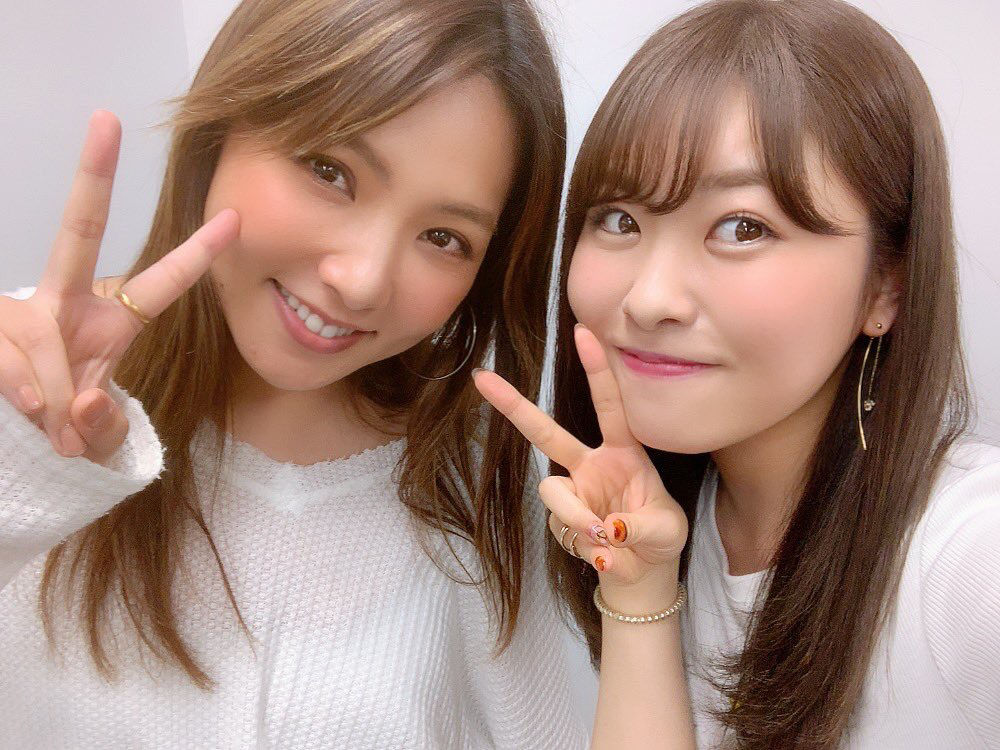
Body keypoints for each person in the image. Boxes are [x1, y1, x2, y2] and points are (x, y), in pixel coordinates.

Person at [0, 0, 590, 747]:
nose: (362, 281)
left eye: (444, 237)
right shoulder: (27, 380)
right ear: (221, 131)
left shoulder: (478, 481)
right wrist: (22, 471)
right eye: (330, 172)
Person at [474, 0, 1000, 747]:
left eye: (742, 227)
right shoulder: (670, 521)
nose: (649, 298)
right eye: (620, 219)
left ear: (887, 285)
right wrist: (640, 591)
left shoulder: (971, 556)